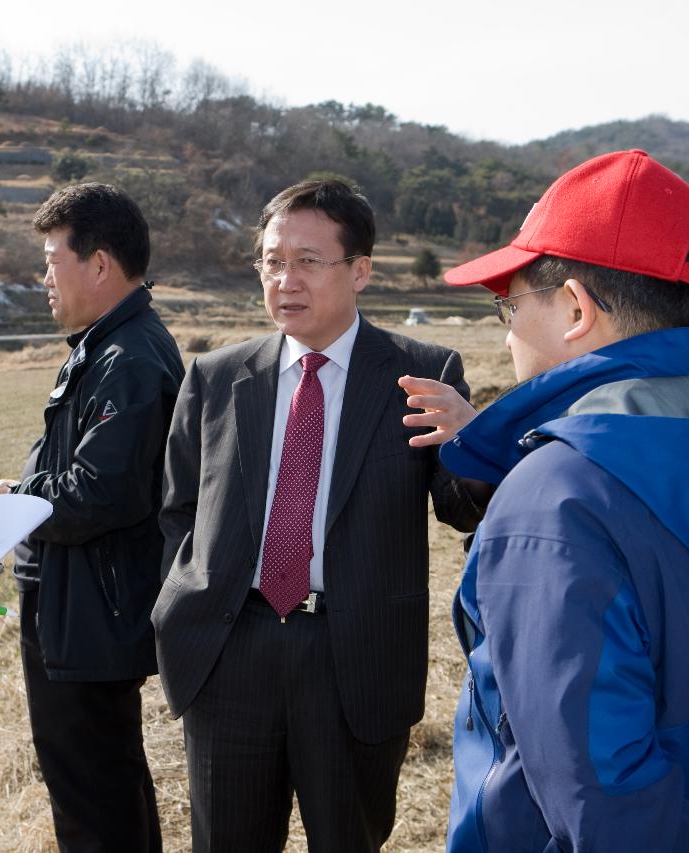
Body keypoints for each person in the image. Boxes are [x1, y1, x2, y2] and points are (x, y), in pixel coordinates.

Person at [440, 149, 689, 852]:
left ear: (576, 307)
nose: (507, 330)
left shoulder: (558, 497)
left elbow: (604, 795)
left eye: (510, 302)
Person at [150, 179, 484, 853]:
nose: (284, 279)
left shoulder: (419, 373)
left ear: (360, 269)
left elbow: (460, 508)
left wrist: (473, 440)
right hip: (229, 653)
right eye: (272, 261)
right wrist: (186, 609)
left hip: (353, 659)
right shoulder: (216, 376)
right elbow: (178, 510)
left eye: (307, 260)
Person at [0, 183, 184, 853]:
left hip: (92, 617)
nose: (43, 280)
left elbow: (99, 490)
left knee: (96, 802)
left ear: (98, 264)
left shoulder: (129, 359)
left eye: (50, 260)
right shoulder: (106, 347)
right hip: (77, 609)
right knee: (101, 789)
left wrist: (16, 503)